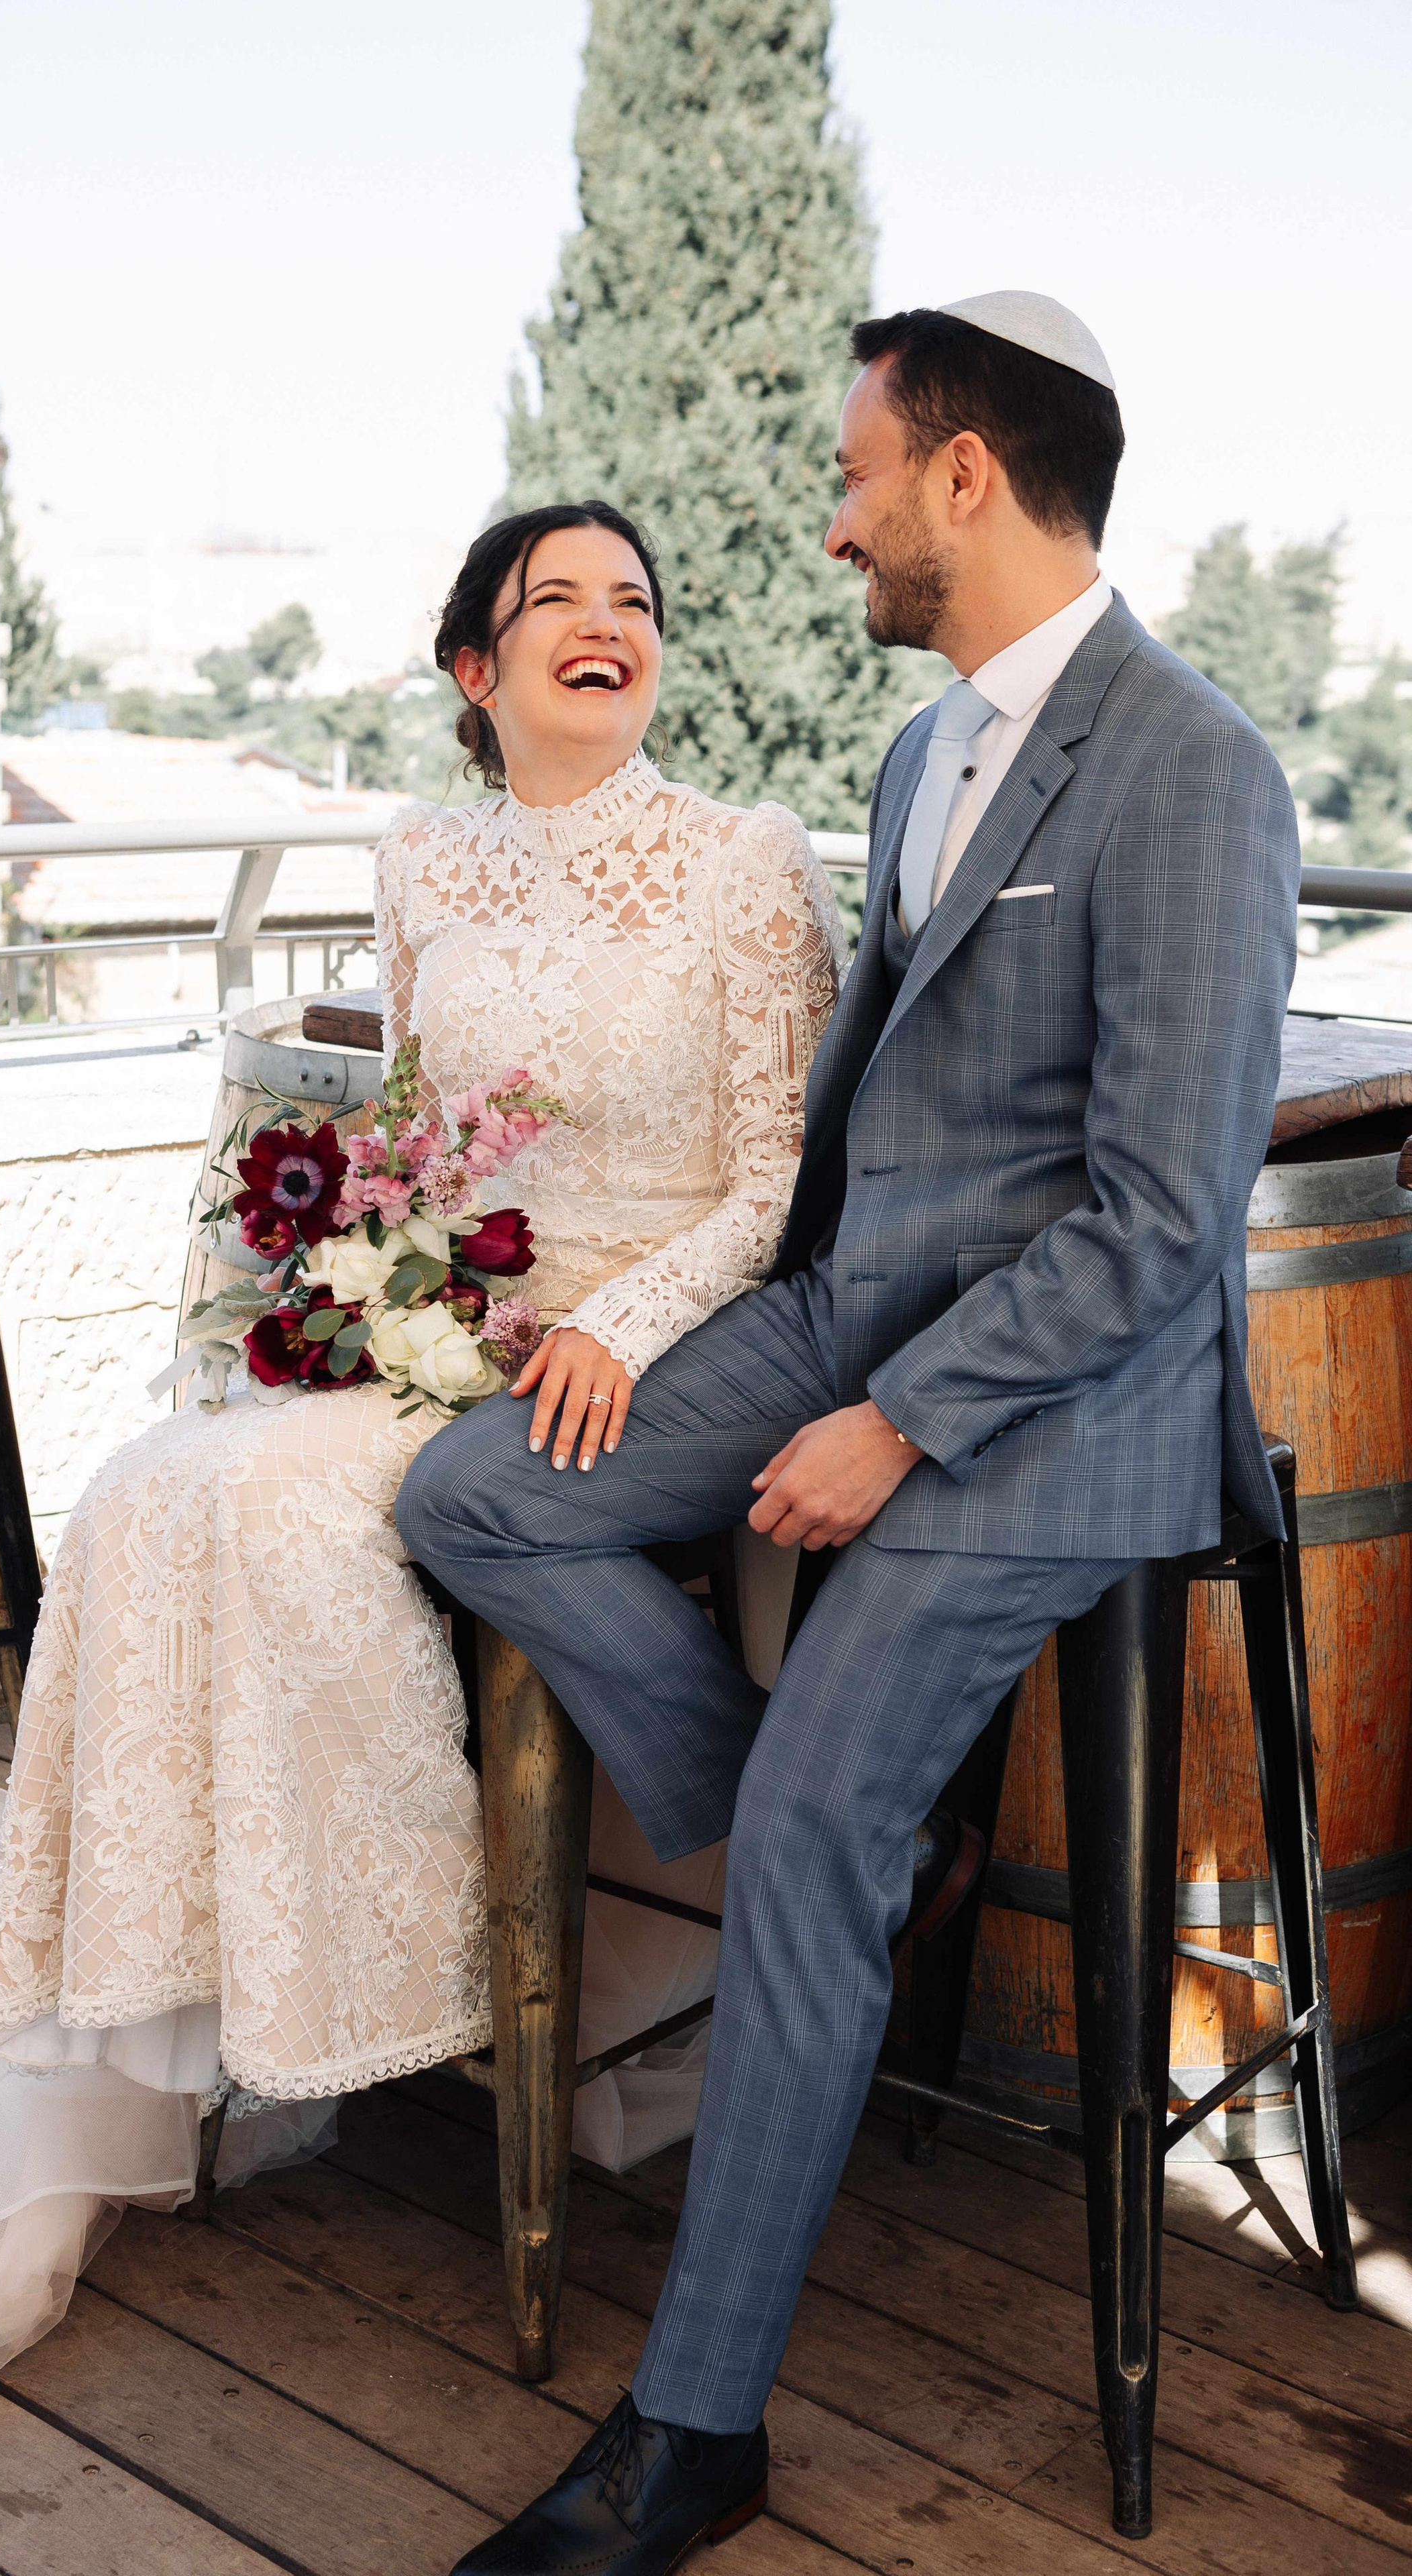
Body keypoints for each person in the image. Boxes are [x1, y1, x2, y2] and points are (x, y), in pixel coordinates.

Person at [0, 500, 847, 2398]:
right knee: (156, 1479)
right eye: (554, 600)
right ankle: (177, 1992)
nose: (604, 624)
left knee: (236, 1492)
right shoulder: (418, 860)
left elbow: (776, 1179)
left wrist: (616, 1329)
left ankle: (375, 1993)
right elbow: (413, 1137)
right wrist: (369, 1286)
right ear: (479, 667)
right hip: (447, 1329)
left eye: (634, 601)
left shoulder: (744, 862)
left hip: (634, 1355)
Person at [398, 293, 1303, 2575]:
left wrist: (898, 1423)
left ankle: (695, 2430)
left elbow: (1166, 1218)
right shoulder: (919, 763)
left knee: (810, 1815)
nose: (834, 525)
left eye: (859, 474)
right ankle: (815, 1833)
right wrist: (663, 1311)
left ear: (965, 477)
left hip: (1054, 1404)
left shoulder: (1198, 769)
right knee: (478, 1489)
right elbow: (843, 1130)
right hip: (832, 1320)